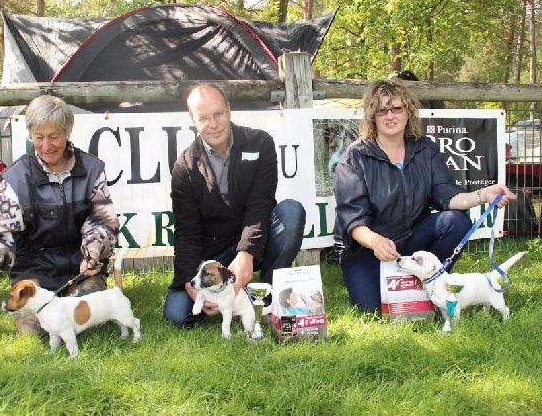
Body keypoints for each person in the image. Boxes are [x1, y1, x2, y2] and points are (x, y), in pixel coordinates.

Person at [333, 78, 516, 312]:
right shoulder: (354, 157)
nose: (390, 116)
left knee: (455, 221)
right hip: (367, 249)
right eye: (382, 110)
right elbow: (353, 220)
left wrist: (483, 194)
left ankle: (432, 284)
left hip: (413, 243)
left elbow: (448, 197)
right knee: (370, 308)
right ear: (372, 116)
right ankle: (401, 284)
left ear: (408, 112)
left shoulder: (424, 148)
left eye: (397, 108)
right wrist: (376, 242)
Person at [0, 95, 120, 334]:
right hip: (34, 273)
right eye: (39, 137)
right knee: (34, 332)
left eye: (54, 137)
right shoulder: (16, 178)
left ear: (67, 133)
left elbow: (102, 224)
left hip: (79, 270)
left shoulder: (92, 169)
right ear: (30, 135)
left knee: (83, 325)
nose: (46, 146)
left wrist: (93, 254)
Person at [164, 83, 306, 328]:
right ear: (193, 120)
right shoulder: (184, 167)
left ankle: (266, 295)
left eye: (218, 114)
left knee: (291, 213)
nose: (213, 123)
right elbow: (186, 232)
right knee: (178, 314)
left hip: (256, 242)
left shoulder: (260, 143)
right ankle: (232, 296)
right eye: (204, 118)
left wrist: (247, 252)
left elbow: (260, 204)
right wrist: (190, 284)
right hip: (213, 256)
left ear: (229, 110)